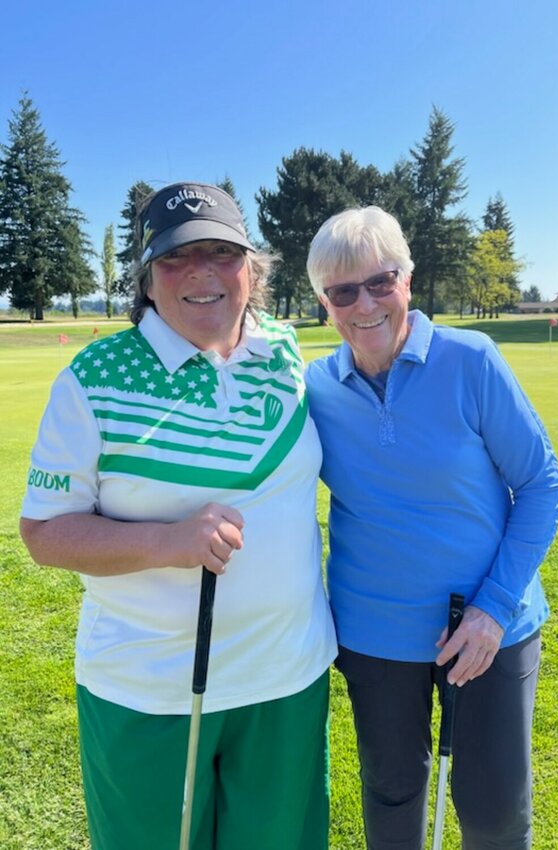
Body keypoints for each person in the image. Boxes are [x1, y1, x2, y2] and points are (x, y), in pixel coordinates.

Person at [20, 182, 336, 850]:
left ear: (251, 269)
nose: (202, 273)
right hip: (150, 692)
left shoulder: (284, 351)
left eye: (223, 253)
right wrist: (170, 541)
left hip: (286, 679)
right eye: (176, 258)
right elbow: (44, 533)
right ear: (146, 277)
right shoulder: (94, 377)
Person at [304, 206, 558, 850]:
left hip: (487, 627)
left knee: (494, 813)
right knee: (392, 795)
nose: (364, 304)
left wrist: (494, 610)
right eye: (343, 291)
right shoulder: (314, 387)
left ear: (408, 281)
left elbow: (541, 485)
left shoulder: (470, 360)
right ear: (323, 303)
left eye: (380, 282)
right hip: (373, 633)